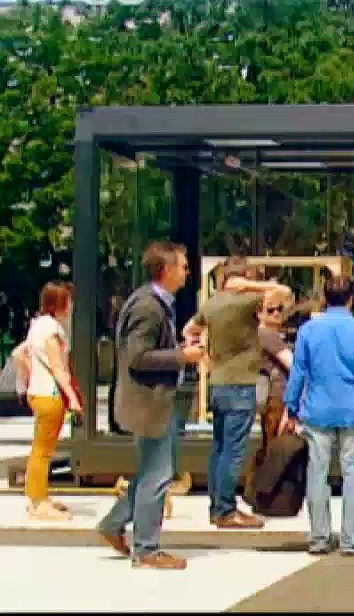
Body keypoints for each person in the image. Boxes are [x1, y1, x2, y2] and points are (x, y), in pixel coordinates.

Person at [98, 242, 205, 570]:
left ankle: (114, 525)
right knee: (158, 476)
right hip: (149, 405)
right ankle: (146, 550)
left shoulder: (154, 303)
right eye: (183, 266)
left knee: (152, 472)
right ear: (166, 269)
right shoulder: (148, 306)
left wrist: (179, 349)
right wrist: (182, 356)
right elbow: (138, 357)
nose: (187, 272)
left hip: (154, 403)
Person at [280, 275, 354, 556]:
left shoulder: (308, 331)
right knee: (353, 473)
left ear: (325, 298)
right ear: (351, 299)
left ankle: (319, 537)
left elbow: (298, 373)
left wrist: (291, 406)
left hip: (318, 410)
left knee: (317, 472)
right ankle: (351, 539)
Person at [183, 257, 290, 529]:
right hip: (241, 383)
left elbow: (189, 330)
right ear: (244, 276)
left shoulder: (212, 303)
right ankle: (226, 510)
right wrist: (252, 286)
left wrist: (203, 354)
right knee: (233, 450)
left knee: (219, 449)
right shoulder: (247, 302)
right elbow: (283, 292)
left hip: (217, 382)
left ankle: (217, 506)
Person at [21, 281, 82, 521]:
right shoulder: (51, 329)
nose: (72, 305)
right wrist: (73, 398)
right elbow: (58, 367)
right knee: (43, 451)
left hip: (39, 392)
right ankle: (38, 503)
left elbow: (19, 354)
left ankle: (39, 497)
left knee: (40, 449)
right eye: (69, 300)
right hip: (50, 395)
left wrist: (32, 377)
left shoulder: (37, 325)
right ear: (59, 303)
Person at [244, 288, 294, 506]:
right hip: (277, 396)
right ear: (259, 313)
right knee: (274, 446)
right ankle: (264, 492)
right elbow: (292, 364)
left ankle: (260, 491)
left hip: (275, 396)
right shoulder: (267, 335)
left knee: (271, 445)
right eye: (270, 310)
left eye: (279, 309)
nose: (276, 313)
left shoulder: (267, 335)